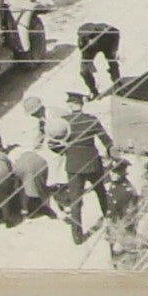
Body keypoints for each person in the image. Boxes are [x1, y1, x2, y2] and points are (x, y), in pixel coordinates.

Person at [49, 97, 114, 246]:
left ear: (71, 105)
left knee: (76, 201)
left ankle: (77, 237)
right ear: (81, 105)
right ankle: (111, 220)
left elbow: (52, 144)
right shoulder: (91, 120)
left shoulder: (63, 122)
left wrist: (65, 151)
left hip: (73, 166)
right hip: (92, 163)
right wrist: (112, 157)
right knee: (102, 193)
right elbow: (106, 141)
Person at [76, 22, 122, 99]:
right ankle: (93, 91)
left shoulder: (108, 32)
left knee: (112, 62)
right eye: (86, 38)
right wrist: (89, 67)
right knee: (84, 70)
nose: (90, 40)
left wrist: (115, 49)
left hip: (107, 44)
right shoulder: (82, 42)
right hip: (90, 49)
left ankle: (117, 83)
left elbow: (116, 33)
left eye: (92, 37)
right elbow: (85, 58)